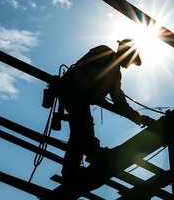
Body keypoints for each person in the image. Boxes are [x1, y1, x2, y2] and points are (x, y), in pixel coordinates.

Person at [56, 38, 152, 185]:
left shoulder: (116, 75)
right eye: (131, 61)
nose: (129, 66)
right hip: (73, 92)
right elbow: (81, 65)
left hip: (80, 99)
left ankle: (72, 172)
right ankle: (93, 157)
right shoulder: (104, 52)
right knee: (84, 128)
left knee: (78, 135)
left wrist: (137, 118)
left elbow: (118, 100)